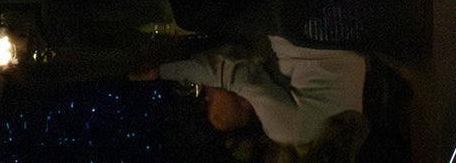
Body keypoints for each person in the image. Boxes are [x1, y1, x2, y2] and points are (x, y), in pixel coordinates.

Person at [148, 36, 369, 151]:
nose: (205, 99)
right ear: (244, 104)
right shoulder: (289, 133)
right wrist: (158, 71)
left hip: (338, 33)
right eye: (213, 113)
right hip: (306, 31)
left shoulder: (339, 126)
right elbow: (236, 74)